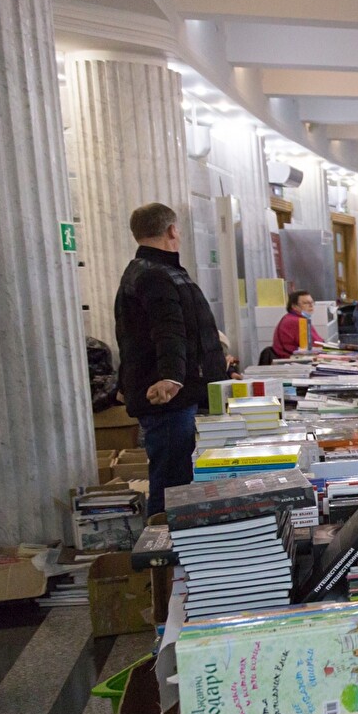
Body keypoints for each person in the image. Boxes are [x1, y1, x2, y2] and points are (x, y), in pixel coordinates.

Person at [114, 203, 228, 516]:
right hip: (169, 398)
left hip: (173, 392)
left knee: (173, 476)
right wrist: (171, 377)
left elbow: (136, 336)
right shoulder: (155, 275)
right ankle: (164, 555)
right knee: (171, 483)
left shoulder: (152, 270)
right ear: (172, 231)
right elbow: (168, 332)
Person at [272, 289, 313, 359]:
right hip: (292, 360)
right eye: (306, 303)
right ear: (294, 306)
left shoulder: (289, 317)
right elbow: (316, 344)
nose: (311, 305)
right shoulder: (297, 321)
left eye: (312, 302)